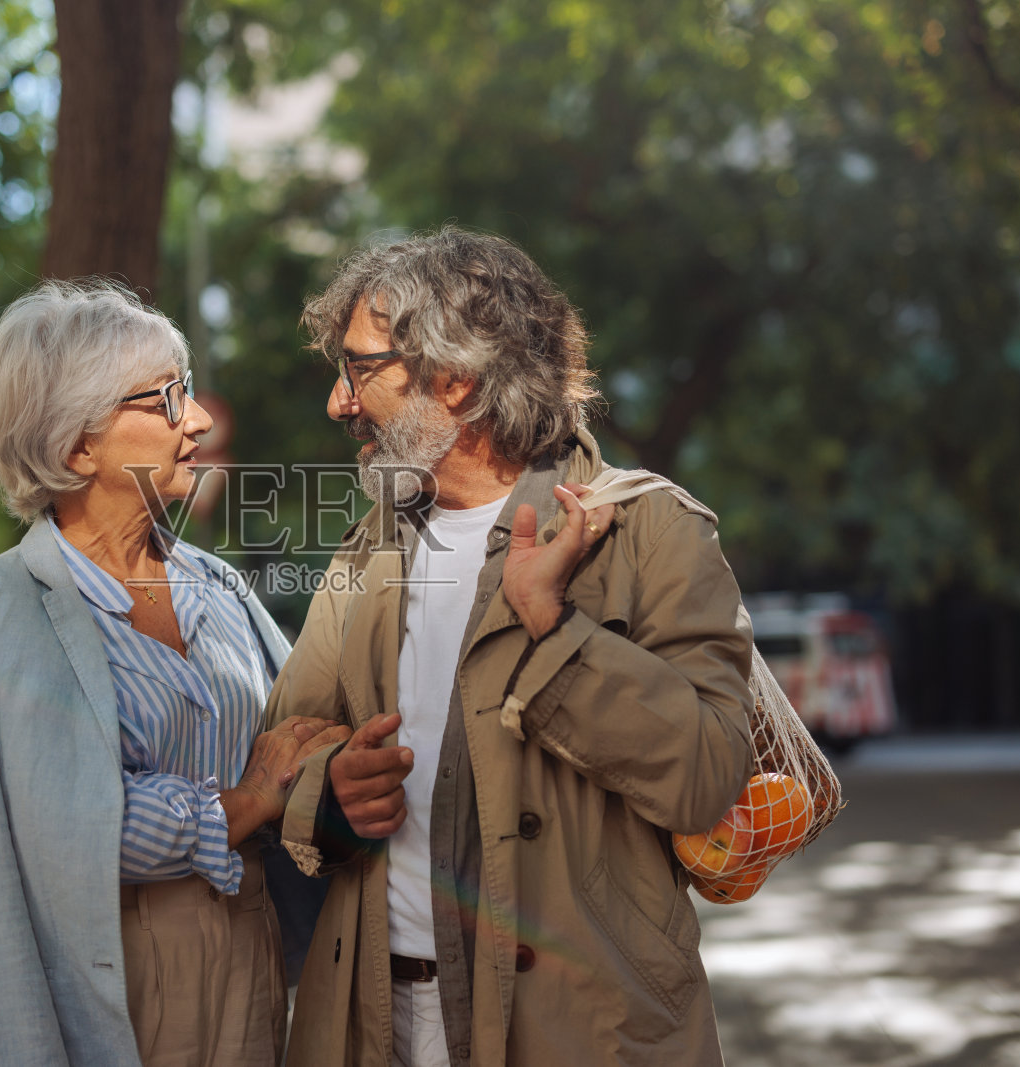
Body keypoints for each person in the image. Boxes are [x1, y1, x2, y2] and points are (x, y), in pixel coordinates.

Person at [268, 227, 755, 1067]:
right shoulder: (367, 545)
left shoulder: (651, 531)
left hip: (584, 1035)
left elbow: (709, 775)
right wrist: (335, 792)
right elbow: (287, 747)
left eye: (360, 368)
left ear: (454, 379)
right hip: (372, 1026)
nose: (339, 403)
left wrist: (555, 633)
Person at [0, 279, 348, 1067]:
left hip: (252, 943)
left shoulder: (221, 585)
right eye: (167, 398)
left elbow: (296, 737)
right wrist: (244, 799)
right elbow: (65, 816)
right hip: (112, 968)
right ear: (79, 446)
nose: (200, 418)